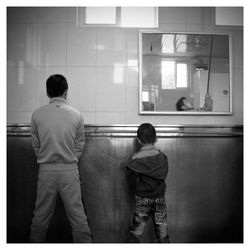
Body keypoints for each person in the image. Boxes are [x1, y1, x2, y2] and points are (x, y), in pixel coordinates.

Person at [29, 74, 92, 243]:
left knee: (40, 219)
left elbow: (36, 145)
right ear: (66, 92)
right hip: (69, 170)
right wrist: (70, 159)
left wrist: (46, 159)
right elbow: (80, 145)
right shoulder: (76, 115)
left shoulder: (37, 115)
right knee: (78, 219)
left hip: (46, 171)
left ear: (48, 92)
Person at [126, 123, 170, 243]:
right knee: (162, 232)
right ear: (156, 139)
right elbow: (163, 175)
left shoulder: (136, 159)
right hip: (160, 200)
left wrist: (139, 190)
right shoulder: (162, 157)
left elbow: (130, 180)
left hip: (142, 200)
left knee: (136, 231)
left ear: (139, 140)